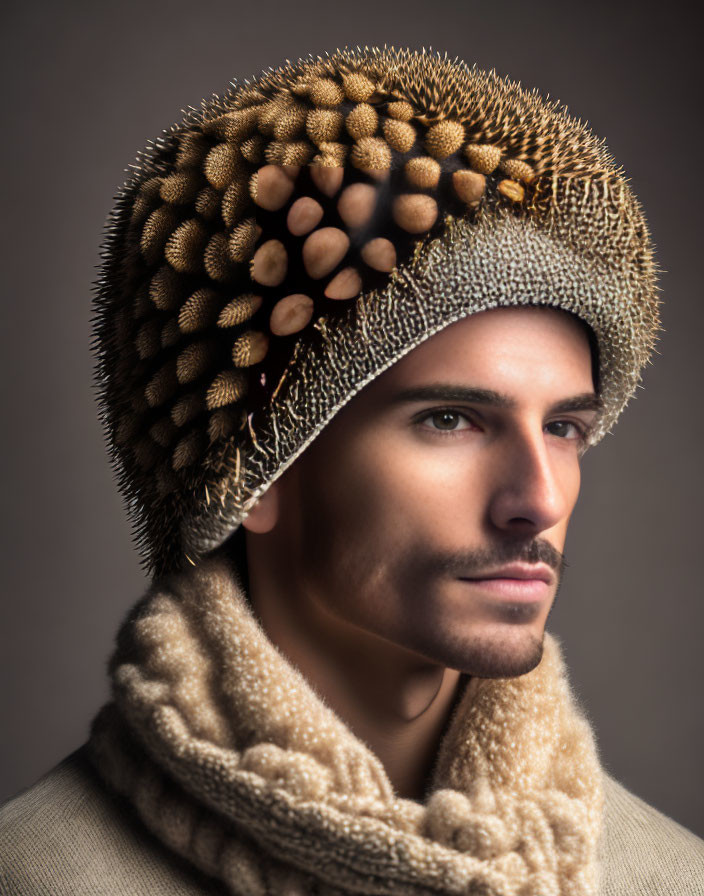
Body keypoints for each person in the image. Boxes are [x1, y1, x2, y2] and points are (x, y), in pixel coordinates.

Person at [1, 45, 702, 896]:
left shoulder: (669, 878)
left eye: (563, 428)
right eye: (451, 420)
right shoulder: (35, 874)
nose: (538, 501)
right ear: (255, 474)